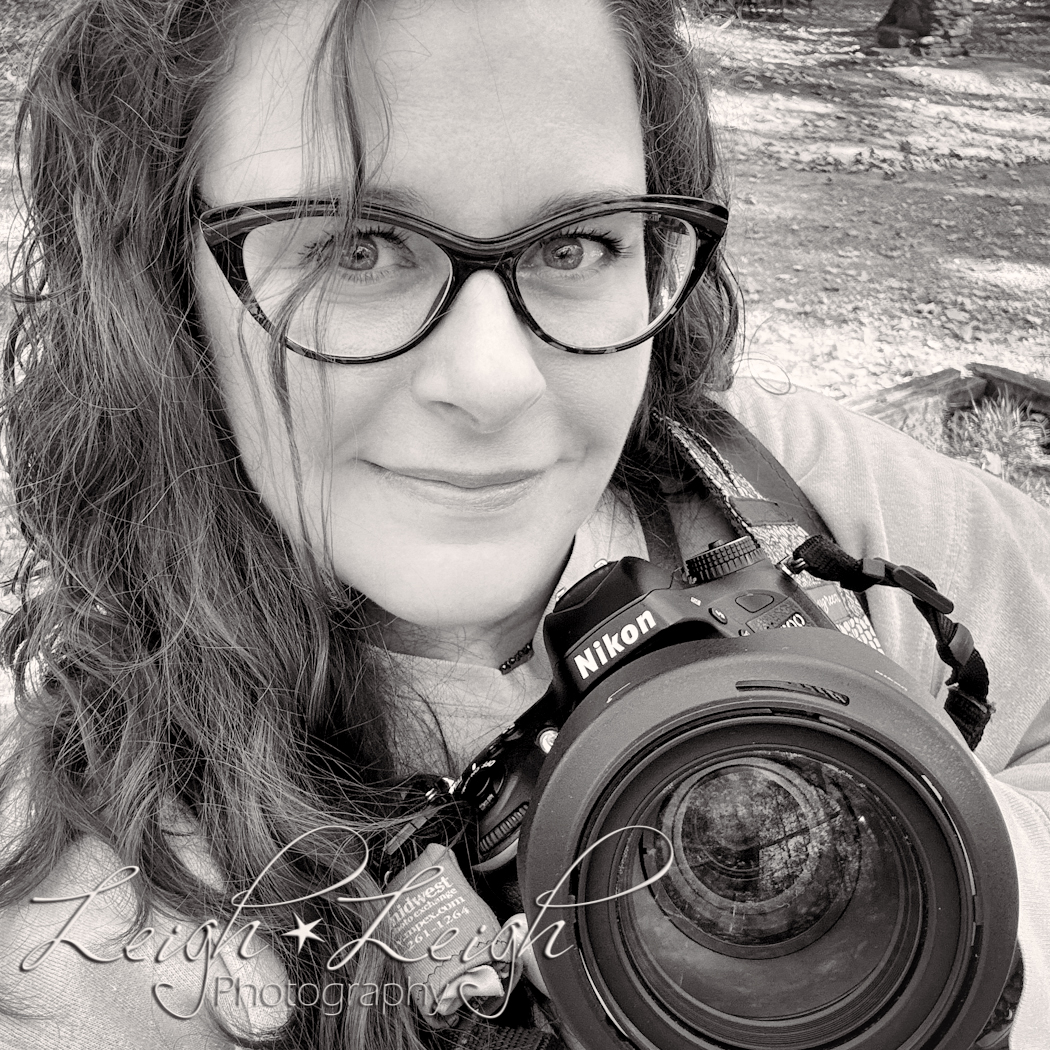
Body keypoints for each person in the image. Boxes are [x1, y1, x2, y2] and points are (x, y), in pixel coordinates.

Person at [0, 0, 1047, 1048]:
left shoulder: (783, 486)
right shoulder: (78, 937)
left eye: (579, 242)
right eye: (359, 246)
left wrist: (960, 883)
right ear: (159, 284)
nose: (495, 382)